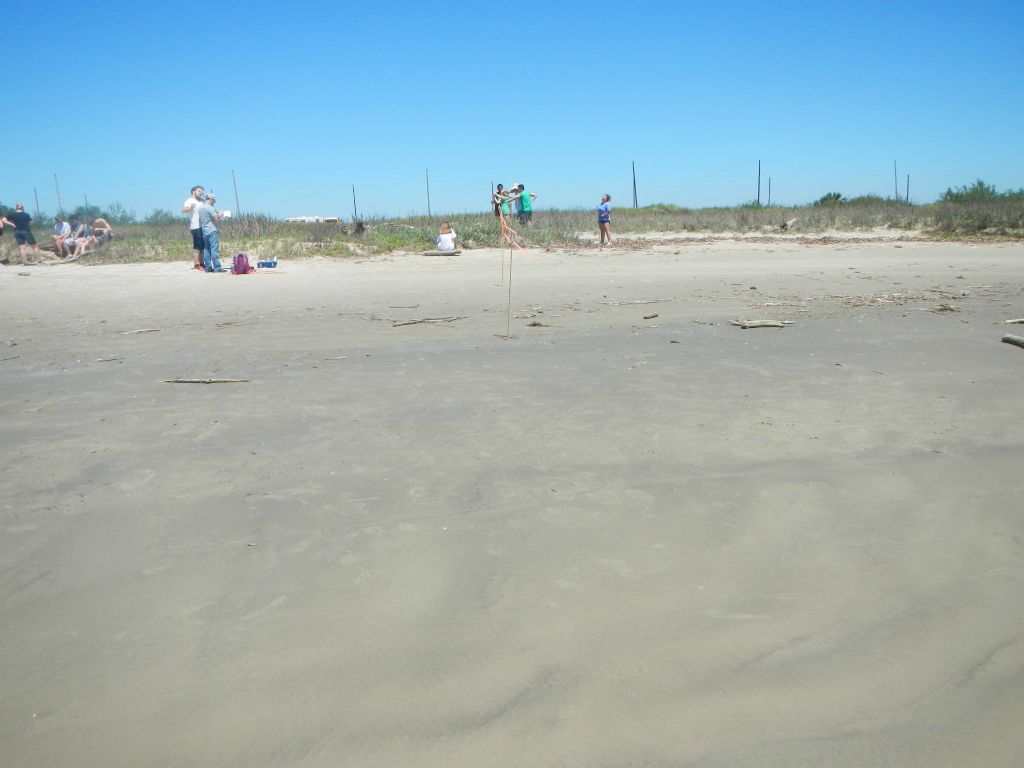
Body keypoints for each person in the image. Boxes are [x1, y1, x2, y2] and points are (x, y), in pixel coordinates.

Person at [198, 192, 224, 272]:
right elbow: (216, 218)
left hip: (204, 230)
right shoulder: (210, 208)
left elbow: (200, 220)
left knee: (206, 249)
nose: (214, 202)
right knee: (214, 249)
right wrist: (220, 214)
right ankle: (217, 267)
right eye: (214, 200)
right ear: (210, 199)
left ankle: (208, 267)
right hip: (212, 230)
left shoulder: (200, 208)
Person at [181, 185, 206, 270]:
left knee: (203, 246)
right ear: (193, 192)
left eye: (202, 192)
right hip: (195, 226)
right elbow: (183, 210)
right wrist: (190, 207)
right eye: (199, 191)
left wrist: (205, 196)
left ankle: (202, 263)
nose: (200, 193)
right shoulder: (189, 200)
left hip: (204, 226)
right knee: (198, 246)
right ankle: (196, 264)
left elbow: (209, 204)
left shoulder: (202, 201)